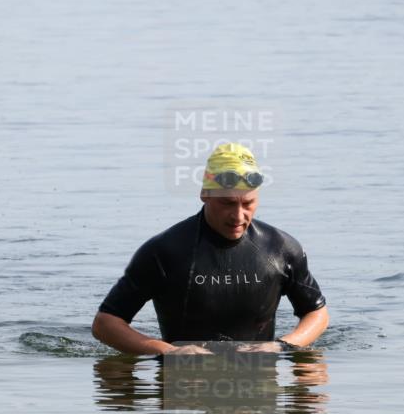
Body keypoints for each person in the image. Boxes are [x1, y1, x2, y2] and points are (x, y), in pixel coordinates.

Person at [92, 143, 329, 355]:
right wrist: (168, 351)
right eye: (227, 203)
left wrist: (282, 345)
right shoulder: (164, 252)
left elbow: (317, 313)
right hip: (185, 381)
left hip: (258, 380)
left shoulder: (281, 249)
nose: (238, 216)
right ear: (205, 194)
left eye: (248, 204)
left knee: (314, 375)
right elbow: (105, 323)